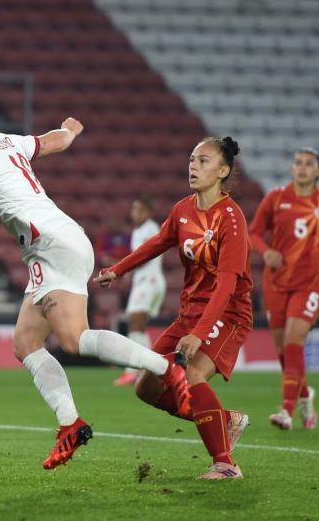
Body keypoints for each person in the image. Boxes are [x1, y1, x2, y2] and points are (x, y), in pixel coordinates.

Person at [0, 90, 190, 470]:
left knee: (73, 338)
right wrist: (70, 132)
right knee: (26, 342)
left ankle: (168, 368)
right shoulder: (1, 140)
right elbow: (51, 142)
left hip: (50, 244)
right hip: (54, 243)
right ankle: (70, 423)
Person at [95, 137, 252, 480]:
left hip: (227, 314)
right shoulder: (183, 210)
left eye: (204, 161)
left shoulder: (231, 219)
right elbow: (156, 244)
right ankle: (224, 421)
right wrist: (117, 270)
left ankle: (225, 464)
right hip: (190, 315)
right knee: (146, 387)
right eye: (192, 159)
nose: (194, 166)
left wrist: (198, 334)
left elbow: (226, 286)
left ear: (223, 170)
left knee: (193, 372)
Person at [249, 148, 319, 431]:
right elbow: (254, 231)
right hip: (276, 281)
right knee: (283, 350)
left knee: (294, 341)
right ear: (292, 169)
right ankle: (305, 396)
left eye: (309, 164)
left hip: (310, 282)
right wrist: (265, 251)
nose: (302, 168)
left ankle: (286, 411)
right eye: (298, 163)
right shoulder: (276, 198)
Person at [113, 196, 167, 386]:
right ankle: (151, 369)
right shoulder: (140, 230)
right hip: (145, 281)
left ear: (148, 212)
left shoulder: (149, 228)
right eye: (134, 209)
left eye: (139, 210)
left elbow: (144, 255)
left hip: (148, 281)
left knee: (135, 325)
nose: (135, 213)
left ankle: (135, 370)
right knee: (138, 326)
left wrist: (126, 270)